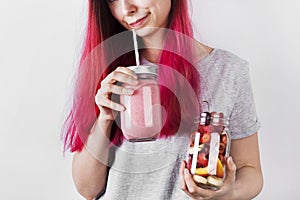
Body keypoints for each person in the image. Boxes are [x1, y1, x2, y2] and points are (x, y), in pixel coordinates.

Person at [62, 0, 263, 199]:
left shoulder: (228, 71)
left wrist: (229, 194)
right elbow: (87, 189)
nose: (126, 9)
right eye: (113, 0)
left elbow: (250, 170)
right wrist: (105, 118)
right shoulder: (110, 72)